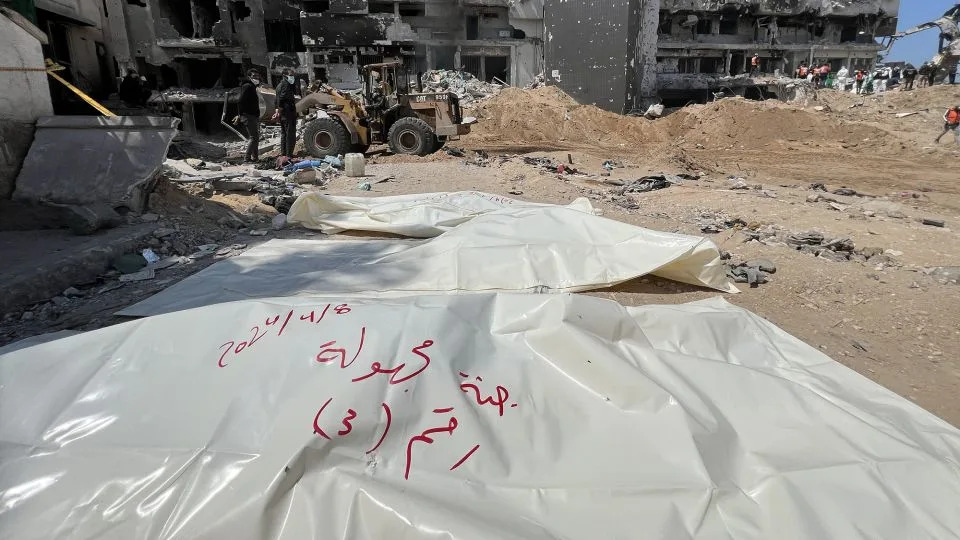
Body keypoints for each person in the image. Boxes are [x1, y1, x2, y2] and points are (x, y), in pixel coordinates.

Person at [272, 68, 299, 158]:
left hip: (283, 113)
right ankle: (289, 155)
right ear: (285, 76)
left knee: (284, 134)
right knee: (290, 134)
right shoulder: (285, 84)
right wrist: (279, 109)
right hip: (288, 113)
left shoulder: (279, 85)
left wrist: (277, 110)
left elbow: (276, 100)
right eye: (291, 75)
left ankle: (284, 154)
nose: (292, 77)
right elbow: (282, 98)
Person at [238, 69, 261, 163]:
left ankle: (255, 158)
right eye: (254, 76)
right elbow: (240, 101)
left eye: (257, 76)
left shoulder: (252, 86)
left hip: (253, 115)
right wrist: (240, 114)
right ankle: (247, 158)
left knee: (255, 137)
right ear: (249, 77)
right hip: (248, 115)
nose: (256, 78)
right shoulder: (247, 86)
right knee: (254, 137)